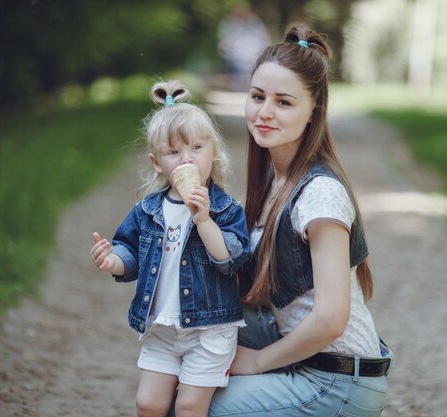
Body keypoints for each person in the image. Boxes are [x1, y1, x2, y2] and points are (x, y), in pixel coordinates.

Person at [176, 24, 393, 417]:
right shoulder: (273, 182)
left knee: (194, 409)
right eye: (257, 97)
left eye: (284, 102)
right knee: (185, 369)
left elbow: (330, 319)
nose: (264, 112)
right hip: (303, 358)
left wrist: (256, 363)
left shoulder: (319, 193)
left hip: (336, 381)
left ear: (314, 112)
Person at [89, 80, 250, 417]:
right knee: (148, 403)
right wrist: (112, 261)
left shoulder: (226, 210)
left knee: (190, 406)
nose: (186, 158)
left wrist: (204, 220)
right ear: (156, 161)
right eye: (174, 152)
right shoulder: (148, 209)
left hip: (209, 329)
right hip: (162, 327)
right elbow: (129, 253)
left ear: (214, 151)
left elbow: (230, 261)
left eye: (195, 148)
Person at [217, 4, 270, 91]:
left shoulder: (255, 24)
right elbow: (225, 44)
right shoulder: (230, 25)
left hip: (251, 57)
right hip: (236, 59)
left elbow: (263, 39)